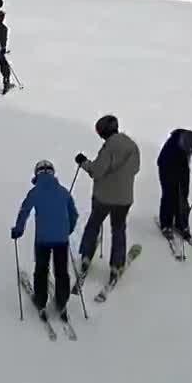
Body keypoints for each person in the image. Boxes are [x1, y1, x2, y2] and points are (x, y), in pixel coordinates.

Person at [11, 160, 79, 323]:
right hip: (61, 240)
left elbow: (24, 211)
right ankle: (62, 302)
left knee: (41, 269)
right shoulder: (63, 192)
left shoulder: (35, 192)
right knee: (61, 271)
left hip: (43, 240)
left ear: (37, 174)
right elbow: (74, 214)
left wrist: (18, 230)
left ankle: (40, 300)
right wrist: (67, 230)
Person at [75, 114, 140, 284]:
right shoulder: (132, 145)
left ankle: (86, 256)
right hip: (124, 198)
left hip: (103, 197)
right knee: (118, 229)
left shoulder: (109, 147)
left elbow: (96, 171)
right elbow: (135, 169)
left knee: (94, 224)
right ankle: (116, 265)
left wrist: (83, 163)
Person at [156, 127, 192, 239]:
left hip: (183, 168)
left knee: (183, 196)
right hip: (167, 167)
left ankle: (181, 223)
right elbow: (161, 161)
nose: (189, 151)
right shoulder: (171, 144)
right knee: (169, 195)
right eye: (187, 149)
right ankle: (166, 224)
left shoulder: (191, 140)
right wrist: (171, 178)